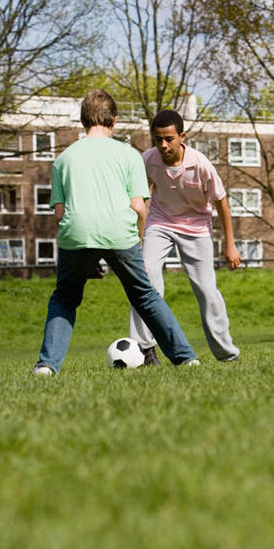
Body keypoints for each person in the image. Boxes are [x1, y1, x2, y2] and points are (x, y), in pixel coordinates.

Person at [33, 90, 199, 374]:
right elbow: (139, 208)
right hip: (119, 235)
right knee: (145, 296)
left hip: (76, 235)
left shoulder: (63, 159)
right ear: (114, 121)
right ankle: (186, 358)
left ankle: (47, 366)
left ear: (83, 120)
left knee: (64, 298)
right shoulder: (129, 156)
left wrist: (86, 254)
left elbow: (59, 213)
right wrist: (136, 241)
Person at [129, 109, 241, 366]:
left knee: (206, 289)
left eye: (169, 139)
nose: (163, 145)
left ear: (182, 137)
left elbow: (222, 203)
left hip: (196, 228)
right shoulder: (148, 159)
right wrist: (139, 232)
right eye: (158, 139)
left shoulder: (200, 164)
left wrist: (231, 246)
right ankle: (145, 350)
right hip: (160, 222)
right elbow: (141, 194)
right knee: (144, 278)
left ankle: (227, 353)